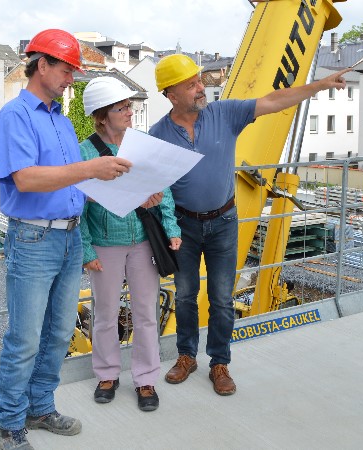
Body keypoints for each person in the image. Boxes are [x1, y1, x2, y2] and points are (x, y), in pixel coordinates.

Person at [149, 54, 350, 396]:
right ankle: (186, 357)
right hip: (183, 226)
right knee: (184, 297)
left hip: (224, 223)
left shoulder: (224, 113)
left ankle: (219, 363)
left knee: (222, 298)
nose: (201, 88)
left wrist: (318, 86)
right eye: (192, 84)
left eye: (200, 81)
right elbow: (150, 183)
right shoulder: (157, 134)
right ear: (171, 94)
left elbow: (273, 101)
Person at [0, 29, 132, 450]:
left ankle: (40, 407)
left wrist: (126, 186)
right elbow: (27, 179)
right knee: (25, 338)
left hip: (70, 239)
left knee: (56, 333)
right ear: (42, 65)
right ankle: (10, 423)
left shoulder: (62, 120)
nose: (72, 78)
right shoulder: (15, 116)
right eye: (67, 69)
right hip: (34, 239)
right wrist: (92, 170)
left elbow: (72, 184)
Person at [79, 77, 181, 412]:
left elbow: (161, 190)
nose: (129, 112)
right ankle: (107, 374)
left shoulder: (142, 144)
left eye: (129, 106)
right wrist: (86, 249)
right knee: (106, 312)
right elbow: (76, 204)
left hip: (142, 243)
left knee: (146, 313)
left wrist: (170, 228)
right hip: (105, 244)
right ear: (102, 115)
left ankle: (146, 378)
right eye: (121, 108)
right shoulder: (86, 152)